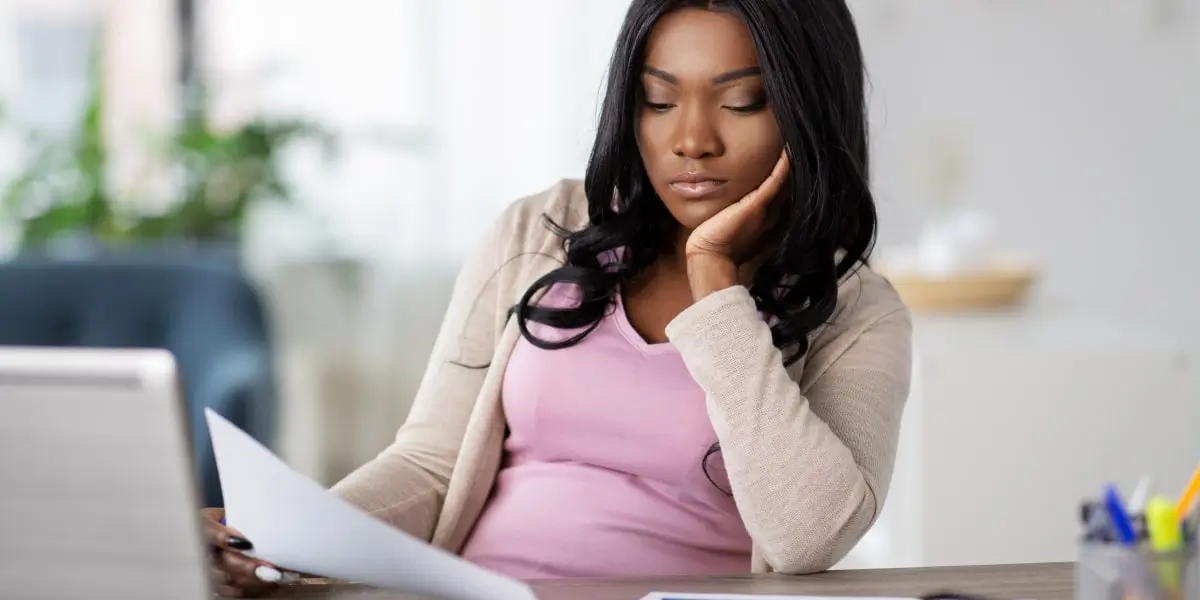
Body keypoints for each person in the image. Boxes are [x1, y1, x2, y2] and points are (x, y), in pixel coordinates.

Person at [204, 0, 912, 595]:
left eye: (740, 102)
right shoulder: (537, 231)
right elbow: (429, 464)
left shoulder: (859, 314)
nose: (692, 139)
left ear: (808, 111)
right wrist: (285, 546)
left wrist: (716, 283)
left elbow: (810, 535)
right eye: (658, 100)